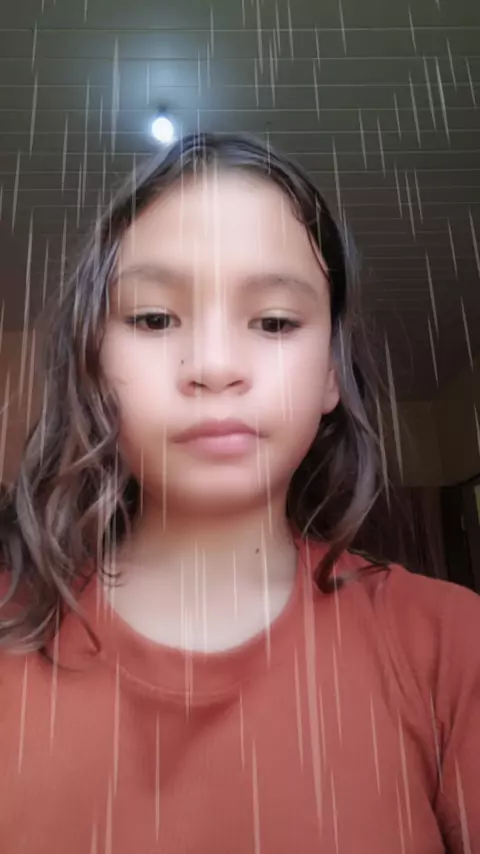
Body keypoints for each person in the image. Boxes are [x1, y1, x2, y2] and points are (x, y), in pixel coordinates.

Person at [0, 133, 478, 854]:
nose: (216, 365)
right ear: (95, 365)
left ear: (330, 374)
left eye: (275, 321)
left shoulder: (452, 643)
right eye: (154, 318)